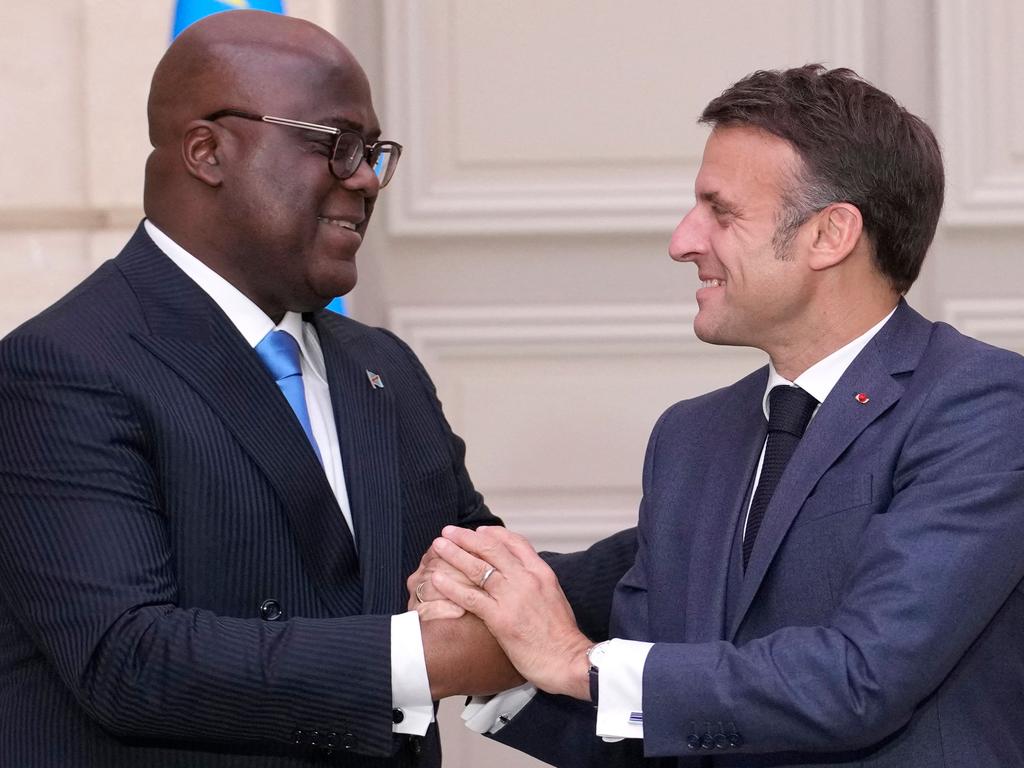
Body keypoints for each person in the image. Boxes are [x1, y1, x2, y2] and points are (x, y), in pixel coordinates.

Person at [0, 10, 639, 766]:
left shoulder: (381, 368)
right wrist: (443, 656)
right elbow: (132, 660)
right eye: (335, 144)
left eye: (372, 152)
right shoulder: (61, 366)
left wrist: (701, 534)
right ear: (208, 151)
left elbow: (478, 583)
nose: (364, 178)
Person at [422, 65, 1024, 767]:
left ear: (830, 235)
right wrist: (510, 668)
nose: (683, 240)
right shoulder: (690, 437)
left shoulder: (983, 406)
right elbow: (673, 728)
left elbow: (860, 679)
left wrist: (574, 662)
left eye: (722, 211)